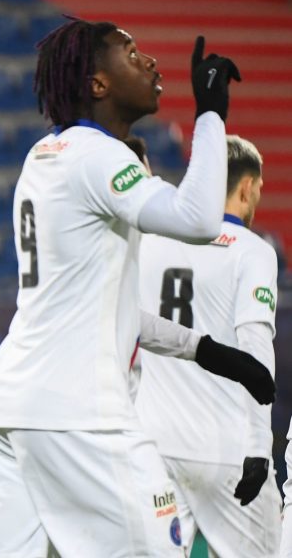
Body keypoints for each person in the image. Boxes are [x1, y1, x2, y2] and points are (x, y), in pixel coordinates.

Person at [0, 17, 273, 557]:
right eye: (131, 54)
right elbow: (200, 220)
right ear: (97, 84)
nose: (151, 63)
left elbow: (110, 306)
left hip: (12, 404)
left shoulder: (45, 155)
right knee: (156, 550)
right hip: (78, 410)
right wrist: (209, 116)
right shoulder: (95, 153)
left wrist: (205, 349)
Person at [135, 135, 281, 557]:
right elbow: (257, 348)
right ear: (246, 186)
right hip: (225, 449)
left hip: (156, 448)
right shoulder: (253, 251)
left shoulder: (150, 240)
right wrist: (259, 446)